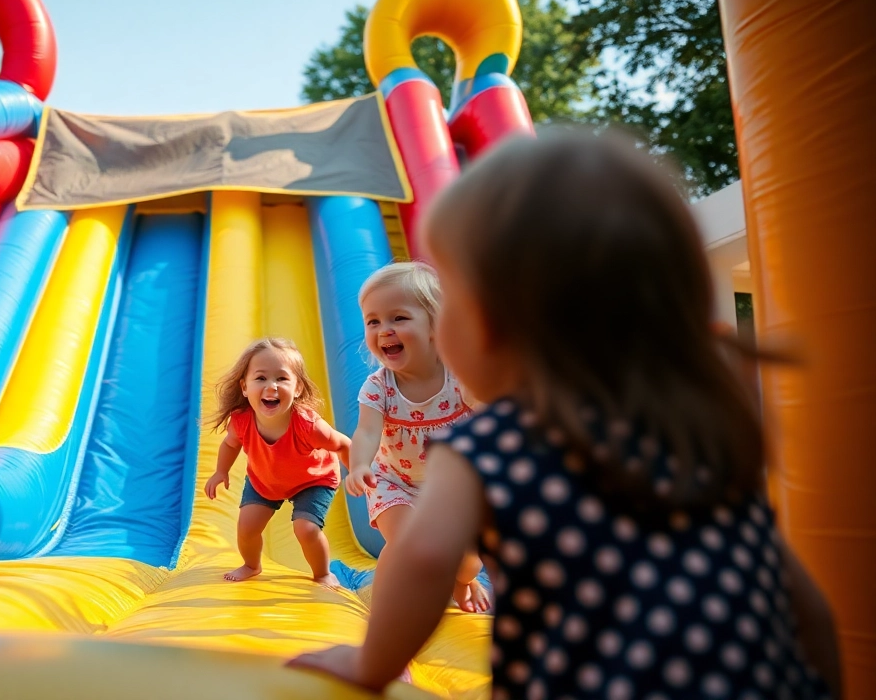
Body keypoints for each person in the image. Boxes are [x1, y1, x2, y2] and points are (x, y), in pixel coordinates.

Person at [290, 131, 841, 698]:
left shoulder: (493, 443)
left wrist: (370, 665)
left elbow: (424, 557)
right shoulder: (691, 434)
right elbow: (804, 606)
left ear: (495, 321)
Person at [344, 262, 490, 612]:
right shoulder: (379, 388)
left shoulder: (458, 376)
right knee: (407, 543)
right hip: (393, 481)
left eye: (398, 318)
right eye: (373, 321)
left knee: (469, 561)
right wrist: (359, 464)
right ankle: (384, 620)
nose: (384, 330)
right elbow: (366, 431)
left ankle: (463, 580)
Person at [204, 337, 351, 588]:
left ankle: (323, 573)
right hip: (265, 479)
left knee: (305, 529)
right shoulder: (241, 421)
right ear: (244, 387)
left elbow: (343, 444)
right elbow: (230, 444)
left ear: (298, 389)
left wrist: (357, 472)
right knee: (247, 528)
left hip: (313, 479)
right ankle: (252, 565)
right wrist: (220, 471)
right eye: (260, 378)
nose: (271, 386)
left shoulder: (308, 426)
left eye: (282, 378)